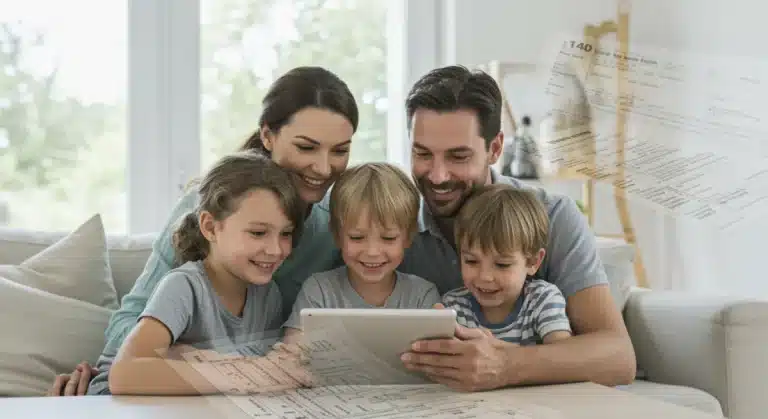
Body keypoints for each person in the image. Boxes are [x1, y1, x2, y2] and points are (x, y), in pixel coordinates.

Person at [48, 66, 359, 396]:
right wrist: (190, 361)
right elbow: (132, 331)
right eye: (307, 147)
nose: (324, 168)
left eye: (340, 150)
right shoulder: (207, 215)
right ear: (268, 136)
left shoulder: (341, 229)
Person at [397, 65, 636, 391]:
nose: (438, 176)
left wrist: (505, 365)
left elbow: (618, 358)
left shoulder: (553, 216)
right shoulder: (391, 223)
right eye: (422, 153)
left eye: (458, 156)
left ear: (495, 149)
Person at [107, 151, 305, 395]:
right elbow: (124, 374)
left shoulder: (268, 294)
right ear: (210, 227)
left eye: (285, 234)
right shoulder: (184, 287)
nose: (276, 250)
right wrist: (245, 373)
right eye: (257, 233)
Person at [282, 162, 440, 341]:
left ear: (409, 237)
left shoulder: (422, 295)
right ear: (336, 235)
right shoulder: (319, 290)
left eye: (388, 238)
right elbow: (291, 353)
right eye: (357, 238)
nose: (372, 252)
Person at [440, 184, 572, 344]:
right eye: (471, 261)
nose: (485, 277)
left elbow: (559, 358)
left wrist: (497, 354)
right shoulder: (453, 307)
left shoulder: (542, 300)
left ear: (533, 262)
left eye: (502, 264)